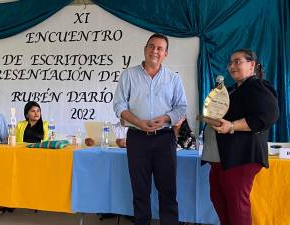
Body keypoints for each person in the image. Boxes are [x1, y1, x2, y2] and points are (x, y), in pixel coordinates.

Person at [113, 33, 187, 225]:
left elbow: (181, 108)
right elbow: (119, 106)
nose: (155, 51)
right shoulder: (129, 75)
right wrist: (138, 122)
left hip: (165, 138)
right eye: (151, 46)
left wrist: (165, 118)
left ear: (166, 54)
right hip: (137, 138)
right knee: (140, 190)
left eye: (160, 48)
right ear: (145, 49)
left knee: (168, 190)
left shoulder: (173, 79)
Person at [204, 49, 279, 225]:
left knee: (237, 205)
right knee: (219, 199)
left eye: (237, 61)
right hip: (221, 156)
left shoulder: (257, 86)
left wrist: (231, 126)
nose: (232, 66)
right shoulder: (230, 90)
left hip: (241, 156)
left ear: (252, 64)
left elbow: (269, 115)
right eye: (230, 63)